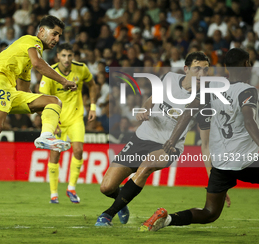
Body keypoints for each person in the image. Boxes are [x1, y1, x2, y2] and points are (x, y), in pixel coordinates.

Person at [141, 48, 259, 232]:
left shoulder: (212, 88)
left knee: (209, 212)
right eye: (250, 63)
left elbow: (188, 111)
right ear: (246, 65)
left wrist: (172, 140)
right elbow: (249, 120)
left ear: (227, 67)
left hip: (221, 163)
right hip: (247, 160)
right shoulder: (248, 91)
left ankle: (167, 219)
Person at [95, 52, 213, 226]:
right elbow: (151, 99)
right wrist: (145, 109)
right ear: (186, 69)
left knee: (145, 167)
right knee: (106, 187)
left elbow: (205, 144)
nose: (202, 74)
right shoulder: (169, 78)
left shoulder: (204, 97)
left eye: (205, 70)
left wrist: (213, 181)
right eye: (197, 69)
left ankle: (107, 214)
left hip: (169, 146)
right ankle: (121, 202)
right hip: (143, 136)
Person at [0, 15, 77, 192]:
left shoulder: (25, 58)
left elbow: (25, 91)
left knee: (53, 101)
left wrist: (46, 116)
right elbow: (38, 63)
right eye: (54, 34)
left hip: (9, 88)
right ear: (41, 31)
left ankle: (46, 134)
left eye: (59, 36)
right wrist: (63, 81)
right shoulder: (31, 41)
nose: (56, 39)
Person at [39, 43, 97, 204]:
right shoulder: (50, 73)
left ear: (74, 56)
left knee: (78, 151)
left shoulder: (81, 68)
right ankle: (53, 194)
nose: (67, 59)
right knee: (55, 154)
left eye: (70, 56)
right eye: (63, 56)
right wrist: (52, 122)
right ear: (58, 56)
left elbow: (92, 85)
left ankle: (71, 188)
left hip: (76, 118)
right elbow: (43, 99)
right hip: (57, 120)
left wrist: (92, 106)